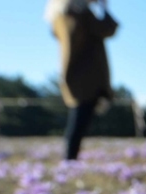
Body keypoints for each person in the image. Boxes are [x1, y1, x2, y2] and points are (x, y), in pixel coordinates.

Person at [45, 0, 118, 160]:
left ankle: (70, 159)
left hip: (75, 73)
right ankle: (70, 160)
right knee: (79, 120)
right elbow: (107, 29)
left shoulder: (61, 14)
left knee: (79, 118)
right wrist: (104, 9)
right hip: (87, 75)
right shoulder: (78, 13)